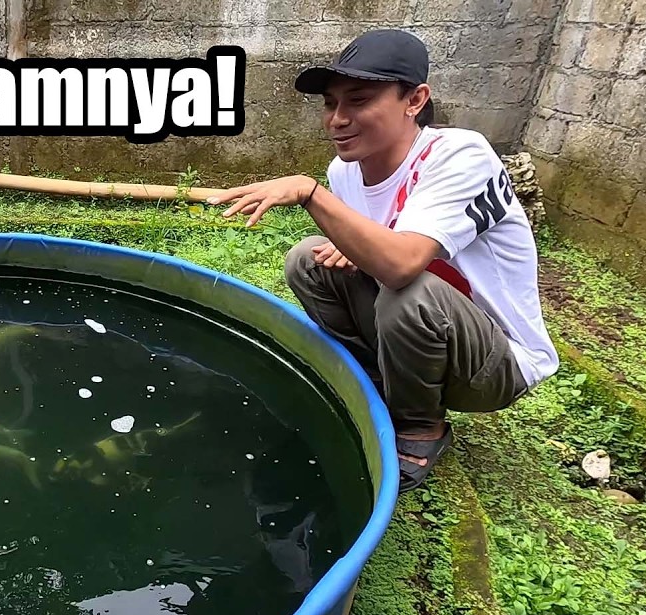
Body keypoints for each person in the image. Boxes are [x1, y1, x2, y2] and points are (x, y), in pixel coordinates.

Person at [205, 28, 558, 492]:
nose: (338, 119)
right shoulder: (346, 171)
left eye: (359, 100)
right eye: (331, 103)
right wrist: (357, 248)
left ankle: (421, 428)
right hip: (418, 340)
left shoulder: (460, 156)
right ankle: (375, 385)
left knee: (408, 293)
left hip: (496, 363)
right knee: (308, 259)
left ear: (414, 100)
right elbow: (383, 251)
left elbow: (401, 265)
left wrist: (310, 193)